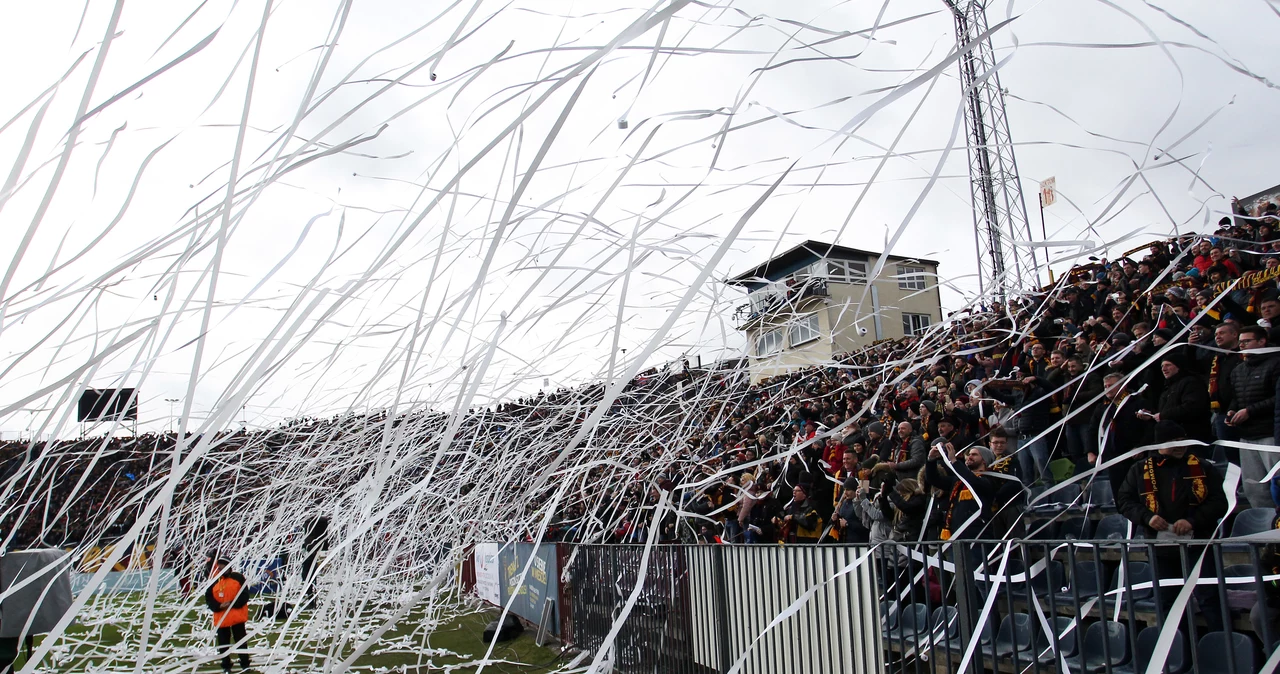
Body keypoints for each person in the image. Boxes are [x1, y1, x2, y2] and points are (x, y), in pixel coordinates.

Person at [1115, 421, 1228, 631]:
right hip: (1161, 548)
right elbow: (1124, 500)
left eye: (1182, 440)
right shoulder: (1140, 469)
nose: (1179, 446)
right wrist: (1147, 517)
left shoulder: (1203, 466)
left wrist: (1193, 521)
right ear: (1159, 444)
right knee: (1169, 601)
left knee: (1209, 599)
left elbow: (1219, 502)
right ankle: (1178, 652)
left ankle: (1222, 648)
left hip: (1199, 544)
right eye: (1172, 442)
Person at [1227, 326, 1280, 508]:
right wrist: (1232, 411)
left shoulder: (1276, 363)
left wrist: (1250, 411)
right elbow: (1236, 398)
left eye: (1247, 341)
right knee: (1254, 488)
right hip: (1247, 437)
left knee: (1276, 482)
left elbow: (1277, 398)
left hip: (1269, 434)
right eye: (1241, 342)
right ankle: (1264, 528)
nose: (1243, 345)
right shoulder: (1238, 369)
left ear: (1261, 341)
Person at [1091, 371, 1153, 501]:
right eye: (1105, 386)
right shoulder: (1102, 408)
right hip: (1113, 457)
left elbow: (1150, 428)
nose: (1107, 389)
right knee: (1120, 494)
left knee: (1138, 493)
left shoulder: (1138, 402)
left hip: (1134, 456)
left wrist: (1142, 447)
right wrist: (1090, 451)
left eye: (1111, 385)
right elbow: (1092, 430)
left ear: (1123, 385)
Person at [923, 443, 998, 540]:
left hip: (977, 535)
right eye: (969, 454)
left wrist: (954, 461)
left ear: (984, 460)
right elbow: (933, 479)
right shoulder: (958, 480)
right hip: (956, 533)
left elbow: (972, 480)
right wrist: (931, 459)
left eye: (974, 455)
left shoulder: (990, 479)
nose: (969, 457)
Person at [1153, 352, 1212, 451]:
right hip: (1174, 438)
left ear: (1178, 366)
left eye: (1168, 365)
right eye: (1162, 366)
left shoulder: (1191, 382)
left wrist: (1163, 415)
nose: (1164, 369)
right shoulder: (1168, 387)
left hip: (1191, 436)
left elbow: (1192, 407)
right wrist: (1151, 415)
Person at [205, 557, 251, 673]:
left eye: (223, 566)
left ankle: (245, 664)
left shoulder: (238, 578)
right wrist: (218, 606)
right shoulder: (214, 580)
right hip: (221, 618)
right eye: (219, 567)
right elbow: (209, 598)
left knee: (241, 642)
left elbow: (245, 595)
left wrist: (231, 604)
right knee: (223, 644)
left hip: (237, 617)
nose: (220, 569)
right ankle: (226, 666)